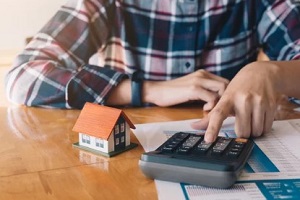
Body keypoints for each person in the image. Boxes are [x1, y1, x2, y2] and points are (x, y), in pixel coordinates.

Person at [5, 0, 300, 143]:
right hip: (126, 162)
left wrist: (271, 73)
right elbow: (21, 78)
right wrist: (145, 90)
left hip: (233, 149)